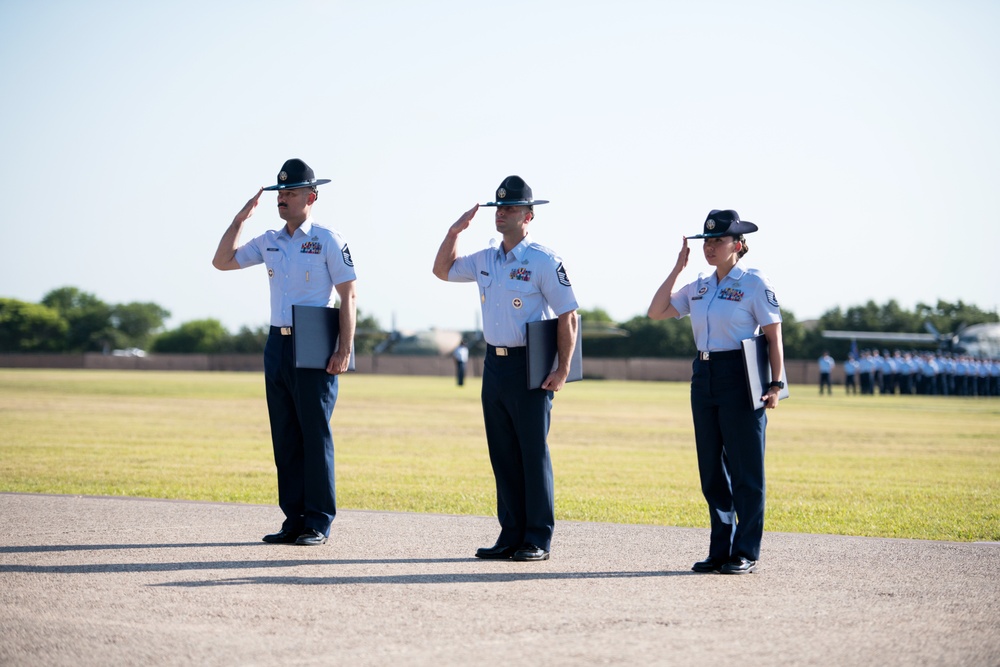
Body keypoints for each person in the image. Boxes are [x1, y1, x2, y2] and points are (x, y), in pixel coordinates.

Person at [432, 175, 579, 562]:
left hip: (530, 366)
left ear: (528, 216)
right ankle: (510, 534)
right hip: (494, 365)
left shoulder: (543, 260)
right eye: (499, 207)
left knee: (532, 454)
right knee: (503, 455)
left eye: (511, 208)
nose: (502, 213)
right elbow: (442, 270)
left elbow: (569, 316)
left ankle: (537, 538)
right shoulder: (484, 259)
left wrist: (562, 370)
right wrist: (454, 232)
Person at [212, 158, 357, 546]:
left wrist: (344, 348)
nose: (284, 199)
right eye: (280, 193)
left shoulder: (328, 239)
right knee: (286, 436)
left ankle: (318, 521)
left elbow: (348, 295)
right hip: (278, 341)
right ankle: (293, 518)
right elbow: (222, 261)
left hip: (315, 341)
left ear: (311, 196)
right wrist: (240, 220)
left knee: (314, 433)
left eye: (291, 192)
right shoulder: (270, 240)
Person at [647, 210, 783, 575]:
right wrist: (678, 268)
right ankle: (720, 549)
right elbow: (656, 311)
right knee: (711, 469)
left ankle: (746, 551)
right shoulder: (700, 286)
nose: (710, 247)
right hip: (704, 374)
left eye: (718, 240)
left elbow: (773, 335)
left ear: (737, 245)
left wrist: (776, 384)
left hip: (740, 375)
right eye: (706, 241)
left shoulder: (754, 282)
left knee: (745, 469)